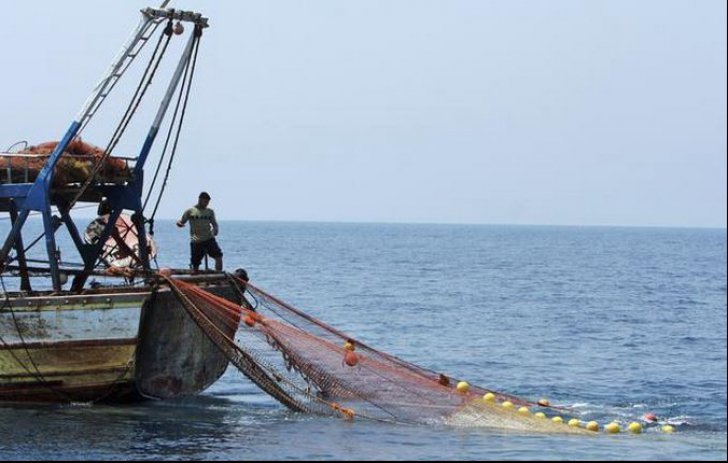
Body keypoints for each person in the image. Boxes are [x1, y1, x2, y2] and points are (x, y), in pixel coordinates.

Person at [176, 191, 223, 273]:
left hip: (209, 238)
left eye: (208, 202)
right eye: (205, 202)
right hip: (196, 238)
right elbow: (182, 221)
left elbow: (214, 224)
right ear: (200, 200)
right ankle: (195, 277)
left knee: (218, 256)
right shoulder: (190, 211)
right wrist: (179, 223)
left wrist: (215, 230)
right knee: (195, 262)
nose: (207, 204)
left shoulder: (210, 211)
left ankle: (218, 276)